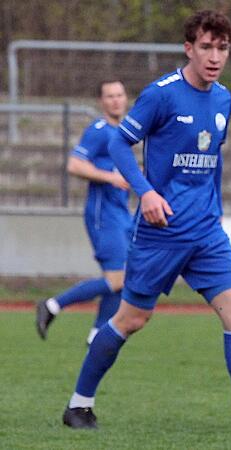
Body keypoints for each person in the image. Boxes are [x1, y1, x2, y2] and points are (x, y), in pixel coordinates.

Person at [59, 10, 231, 435]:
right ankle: (79, 404)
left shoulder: (223, 98)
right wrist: (146, 191)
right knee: (131, 319)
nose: (214, 56)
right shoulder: (161, 95)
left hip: (207, 232)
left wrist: (218, 205)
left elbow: (215, 158)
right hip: (161, 231)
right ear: (189, 48)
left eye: (222, 48)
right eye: (206, 47)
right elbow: (118, 142)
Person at [36, 79, 132, 345]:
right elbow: (75, 165)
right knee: (118, 278)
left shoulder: (122, 132)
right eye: (109, 96)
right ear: (102, 102)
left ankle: (96, 335)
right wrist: (110, 178)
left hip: (121, 213)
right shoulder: (99, 130)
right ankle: (53, 304)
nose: (115, 100)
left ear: (126, 99)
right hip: (103, 215)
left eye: (119, 95)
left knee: (123, 278)